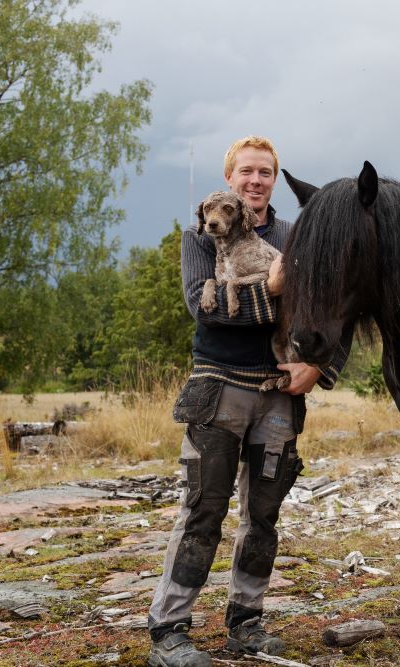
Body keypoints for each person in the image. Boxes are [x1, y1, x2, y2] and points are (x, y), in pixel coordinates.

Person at [147, 136, 348, 667]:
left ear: (274, 180)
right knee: (203, 510)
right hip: (218, 391)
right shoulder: (200, 237)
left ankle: (247, 624)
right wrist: (274, 291)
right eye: (246, 172)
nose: (255, 181)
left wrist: (319, 367)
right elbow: (204, 308)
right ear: (229, 180)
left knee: (263, 515)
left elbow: (339, 305)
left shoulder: (296, 236)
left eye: (265, 173)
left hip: (278, 397)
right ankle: (168, 632)